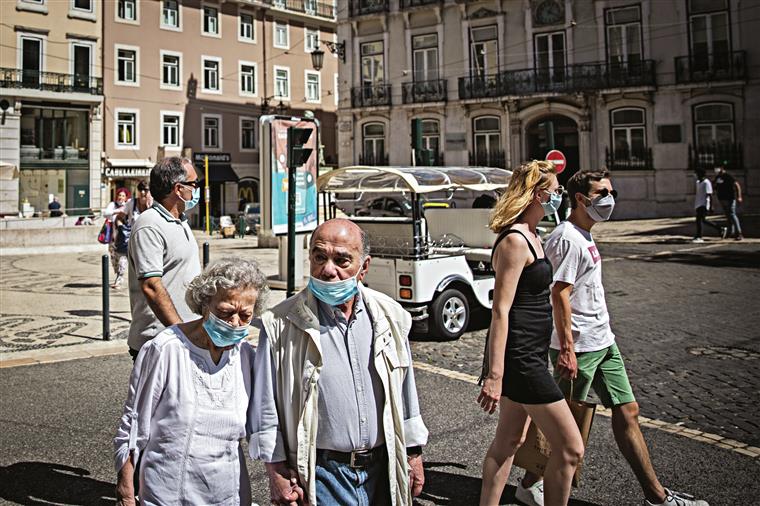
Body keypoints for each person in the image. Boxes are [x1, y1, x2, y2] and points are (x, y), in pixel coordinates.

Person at [519, 169, 708, 506]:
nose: (610, 198)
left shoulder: (584, 233)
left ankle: (657, 498)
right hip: (580, 345)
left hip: (603, 340)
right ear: (581, 199)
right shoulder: (566, 237)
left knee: (628, 410)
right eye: (602, 192)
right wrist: (567, 349)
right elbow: (559, 295)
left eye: (611, 191)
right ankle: (529, 482)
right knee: (567, 428)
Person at [250, 218, 428, 505]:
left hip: (382, 469)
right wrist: (276, 469)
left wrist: (413, 453)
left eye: (342, 260)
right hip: (322, 475)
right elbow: (265, 407)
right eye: (320, 257)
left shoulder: (390, 315)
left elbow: (405, 392)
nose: (328, 270)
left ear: (364, 266)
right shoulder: (279, 324)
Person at [114, 257, 268, 505]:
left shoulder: (246, 357)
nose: (235, 323)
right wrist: (125, 491)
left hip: (228, 493)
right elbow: (133, 426)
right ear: (205, 303)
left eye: (245, 315)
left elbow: (265, 425)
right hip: (168, 493)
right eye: (226, 312)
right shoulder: (165, 349)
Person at [478, 160, 584, 506]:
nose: (560, 196)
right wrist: (495, 375)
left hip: (533, 353)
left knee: (509, 442)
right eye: (556, 191)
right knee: (570, 448)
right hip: (522, 359)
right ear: (539, 194)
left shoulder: (534, 236)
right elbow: (500, 310)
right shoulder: (514, 241)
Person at [127, 157, 202, 361]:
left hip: (186, 335)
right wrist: (182, 332)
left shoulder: (180, 221)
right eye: (194, 184)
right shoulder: (149, 225)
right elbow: (151, 286)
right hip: (162, 340)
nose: (197, 190)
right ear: (179, 189)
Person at [104, 188, 131, 289]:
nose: (121, 197)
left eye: (123, 196)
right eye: (119, 195)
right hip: (113, 237)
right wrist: (117, 211)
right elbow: (105, 214)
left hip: (124, 237)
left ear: (126, 197)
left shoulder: (128, 205)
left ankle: (119, 279)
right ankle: (118, 274)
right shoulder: (112, 205)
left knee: (122, 259)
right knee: (113, 258)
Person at [692, 169, 725, 243]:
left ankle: (699, 236)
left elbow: (709, 194)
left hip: (704, 204)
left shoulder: (706, 182)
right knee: (702, 220)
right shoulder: (698, 182)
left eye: (696, 174)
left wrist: (711, 206)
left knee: (699, 220)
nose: (695, 175)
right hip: (698, 203)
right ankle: (719, 228)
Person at [713, 165, 744, 240]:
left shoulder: (728, 176)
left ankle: (739, 233)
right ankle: (731, 232)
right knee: (728, 216)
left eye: (717, 168)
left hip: (730, 198)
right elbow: (715, 186)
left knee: (732, 214)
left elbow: (737, 185)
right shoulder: (718, 177)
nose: (716, 170)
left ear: (721, 169)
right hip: (722, 199)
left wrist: (739, 196)